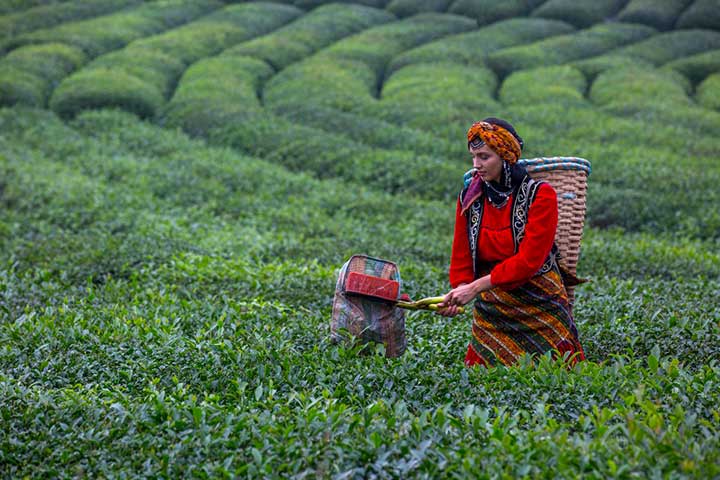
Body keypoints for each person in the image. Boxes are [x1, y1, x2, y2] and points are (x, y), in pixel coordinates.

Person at [438, 117, 585, 367]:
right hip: (493, 308)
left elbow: (529, 261)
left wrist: (474, 288)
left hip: (540, 304)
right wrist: (459, 289)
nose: (477, 165)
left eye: (484, 157)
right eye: (474, 157)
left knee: (557, 374)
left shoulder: (540, 195)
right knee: (482, 379)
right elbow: (461, 253)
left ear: (505, 156)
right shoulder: (470, 197)